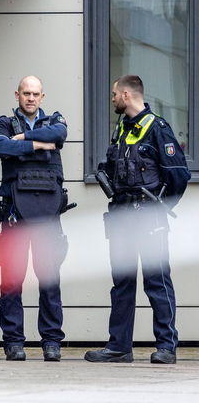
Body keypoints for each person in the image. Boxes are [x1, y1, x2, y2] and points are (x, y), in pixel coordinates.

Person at [85, 75, 189, 365]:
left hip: (149, 218)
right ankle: (119, 347)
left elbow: (178, 175)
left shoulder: (158, 128)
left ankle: (166, 347)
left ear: (127, 95)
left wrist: (158, 208)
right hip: (121, 218)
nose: (113, 98)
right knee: (122, 283)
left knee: (157, 281)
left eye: (115, 94)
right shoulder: (121, 129)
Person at [0, 76, 69, 362]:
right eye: (26, 93)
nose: (31, 98)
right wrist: (39, 146)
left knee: (49, 278)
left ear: (42, 97)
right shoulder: (3, 123)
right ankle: (13, 341)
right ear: (17, 95)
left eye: (36, 94)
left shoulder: (55, 120)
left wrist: (23, 140)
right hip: (14, 213)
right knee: (12, 279)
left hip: (48, 213)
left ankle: (51, 341)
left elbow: (58, 135)